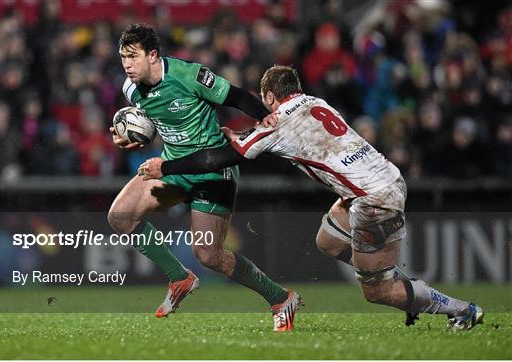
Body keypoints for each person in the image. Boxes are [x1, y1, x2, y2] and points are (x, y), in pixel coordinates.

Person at [140, 65, 484, 331]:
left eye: (264, 101)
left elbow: (219, 159)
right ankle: (401, 284)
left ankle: (461, 310)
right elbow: (283, 134)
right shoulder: (315, 102)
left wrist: (166, 167)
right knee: (328, 241)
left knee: (376, 292)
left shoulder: (275, 122)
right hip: (377, 181)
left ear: (270, 97)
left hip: (373, 199)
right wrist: (242, 135)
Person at [108, 24, 300, 332]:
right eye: (122, 57)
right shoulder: (130, 90)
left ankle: (281, 298)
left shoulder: (190, 75)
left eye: (133, 56)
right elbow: (159, 122)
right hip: (173, 167)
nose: (126, 64)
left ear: (153, 55)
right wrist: (133, 138)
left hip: (213, 169)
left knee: (208, 255)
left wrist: (266, 118)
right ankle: (179, 277)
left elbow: (237, 97)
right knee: (120, 216)